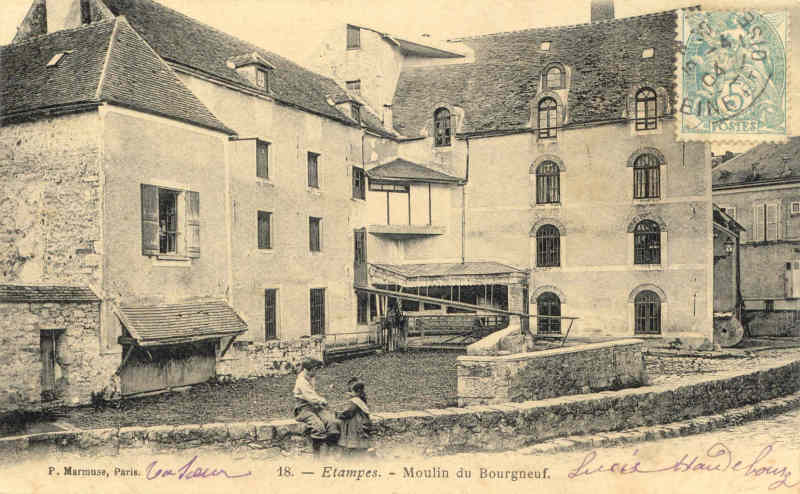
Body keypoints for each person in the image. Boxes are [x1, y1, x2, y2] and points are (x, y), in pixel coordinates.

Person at [293, 358, 340, 451]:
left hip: (314, 406)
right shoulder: (301, 381)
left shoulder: (310, 377)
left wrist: (320, 403)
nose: (316, 371)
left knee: (332, 422)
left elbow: (313, 395)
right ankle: (318, 454)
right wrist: (322, 401)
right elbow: (310, 397)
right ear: (308, 369)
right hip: (303, 409)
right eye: (315, 369)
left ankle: (331, 450)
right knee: (318, 427)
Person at [336, 377, 373, 457]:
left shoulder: (355, 401)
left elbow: (348, 413)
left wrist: (338, 414)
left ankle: (351, 453)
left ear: (357, 392)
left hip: (356, 424)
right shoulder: (361, 400)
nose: (349, 393)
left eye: (351, 391)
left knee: (354, 438)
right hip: (363, 422)